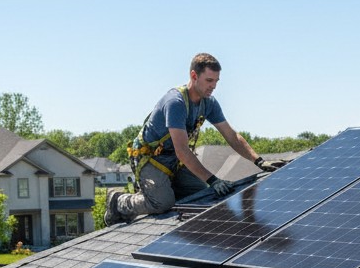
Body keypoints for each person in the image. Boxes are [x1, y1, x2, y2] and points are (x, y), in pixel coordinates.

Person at [105, 53, 286, 224]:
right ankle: (118, 201)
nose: (213, 86)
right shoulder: (175, 103)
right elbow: (182, 150)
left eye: (216, 81)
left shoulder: (209, 103)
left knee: (203, 197)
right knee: (162, 204)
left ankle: (165, 189)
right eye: (209, 80)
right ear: (194, 76)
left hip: (175, 161)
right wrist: (213, 180)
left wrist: (259, 161)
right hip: (152, 160)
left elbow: (231, 135)